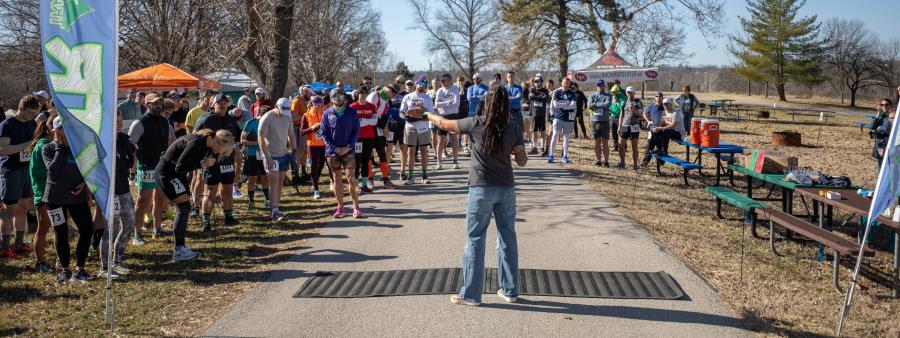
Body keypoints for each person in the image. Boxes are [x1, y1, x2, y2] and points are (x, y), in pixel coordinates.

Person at [419, 86, 527, 307]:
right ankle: (509, 291)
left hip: (481, 188)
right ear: (507, 104)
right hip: (506, 188)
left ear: (487, 103)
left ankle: (471, 295)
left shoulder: (476, 123)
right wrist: (518, 152)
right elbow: (522, 160)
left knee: (476, 239)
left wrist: (426, 114)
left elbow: (443, 124)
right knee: (508, 238)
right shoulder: (514, 127)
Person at [156, 129, 235, 261]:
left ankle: (180, 248)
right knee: (184, 208)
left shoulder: (206, 144)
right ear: (219, 143)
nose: (217, 154)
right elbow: (180, 167)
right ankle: (179, 250)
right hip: (166, 173)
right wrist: (201, 164)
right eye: (220, 151)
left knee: (185, 207)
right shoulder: (196, 141)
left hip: (176, 175)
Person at [42, 117, 96, 283]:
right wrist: (59, 147)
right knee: (61, 232)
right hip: (54, 198)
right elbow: (53, 171)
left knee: (87, 229)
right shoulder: (48, 148)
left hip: (76, 197)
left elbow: (87, 169)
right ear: (55, 131)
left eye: (69, 128)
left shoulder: (78, 147)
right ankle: (65, 269)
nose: (67, 132)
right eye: (62, 129)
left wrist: (82, 183)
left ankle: (80, 268)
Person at [128, 93, 173, 244]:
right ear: (147, 105)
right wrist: (133, 166)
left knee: (159, 198)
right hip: (146, 166)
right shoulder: (140, 122)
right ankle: (137, 234)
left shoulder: (164, 121)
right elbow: (130, 144)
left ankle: (157, 228)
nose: (159, 105)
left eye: (160, 102)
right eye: (155, 103)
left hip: (160, 165)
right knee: (143, 200)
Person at [99, 110, 137, 278]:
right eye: (116, 121)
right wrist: (123, 162)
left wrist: (123, 162)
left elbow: (130, 162)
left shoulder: (123, 139)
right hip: (110, 190)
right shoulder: (103, 141)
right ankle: (105, 267)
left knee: (129, 224)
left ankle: (117, 260)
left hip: (124, 188)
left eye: (121, 120)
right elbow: (114, 163)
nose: (120, 124)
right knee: (111, 229)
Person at [195, 94, 242, 230]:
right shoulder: (205, 119)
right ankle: (206, 222)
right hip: (211, 162)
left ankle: (229, 217)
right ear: (212, 105)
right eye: (219, 103)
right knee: (210, 191)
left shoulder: (231, 120)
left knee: (227, 190)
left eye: (224, 103)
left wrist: (238, 148)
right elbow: (195, 137)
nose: (222, 105)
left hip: (228, 161)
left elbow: (237, 137)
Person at [0, 95, 39, 258]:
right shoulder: (7, 125)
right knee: (9, 211)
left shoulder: (32, 123)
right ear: (20, 109)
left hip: (27, 169)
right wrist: (28, 145)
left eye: (34, 113)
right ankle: (4, 248)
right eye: (30, 113)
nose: (32, 116)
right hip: (11, 170)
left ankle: (18, 244)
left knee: (23, 208)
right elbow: (3, 149)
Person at [321, 88, 363, 219]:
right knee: (336, 179)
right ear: (331, 99)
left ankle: (356, 207)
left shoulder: (352, 112)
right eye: (336, 97)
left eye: (341, 96)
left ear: (344, 98)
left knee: (351, 178)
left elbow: (356, 131)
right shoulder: (327, 113)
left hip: (348, 151)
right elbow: (324, 133)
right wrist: (334, 148)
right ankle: (340, 207)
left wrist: (348, 147)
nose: (339, 99)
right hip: (332, 153)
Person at [259, 98, 296, 222]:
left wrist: (294, 151)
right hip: (271, 155)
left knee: (280, 183)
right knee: (273, 183)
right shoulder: (267, 117)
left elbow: (291, 134)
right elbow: (261, 137)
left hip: (283, 154)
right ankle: (274, 211)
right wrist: (267, 156)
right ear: (276, 106)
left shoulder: (287, 117)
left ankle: (277, 208)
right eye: (282, 110)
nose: (284, 113)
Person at [27, 114, 53, 271]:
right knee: (43, 227)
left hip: (52, 192)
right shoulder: (43, 146)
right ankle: (40, 261)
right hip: (43, 192)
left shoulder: (47, 143)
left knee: (52, 227)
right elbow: (47, 171)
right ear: (50, 128)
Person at [399, 76, 435, 185]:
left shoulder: (427, 98)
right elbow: (401, 111)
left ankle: (424, 175)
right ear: (416, 83)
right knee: (411, 151)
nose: (422, 86)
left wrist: (422, 116)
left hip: (423, 126)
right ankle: (410, 176)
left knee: (424, 150)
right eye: (420, 83)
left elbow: (431, 114)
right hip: (410, 126)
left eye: (424, 84)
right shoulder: (408, 97)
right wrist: (406, 117)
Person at [365, 86, 398, 189]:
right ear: (385, 88)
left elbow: (383, 116)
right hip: (368, 127)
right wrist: (382, 126)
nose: (390, 94)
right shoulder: (374, 96)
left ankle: (386, 179)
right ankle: (369, 180)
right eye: (390, 90)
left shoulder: (386, 101)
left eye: (392, 93)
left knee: (382, 154)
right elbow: (370, 113)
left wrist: (385, 127)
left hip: (378, 128)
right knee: (369, 155)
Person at [348, 86, 378, 194]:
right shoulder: (352, 106)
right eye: (361, 93)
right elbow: (352, 122)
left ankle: (364, 185)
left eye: (365, 93)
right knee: (357, 161)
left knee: (366, 161)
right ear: (358, 94)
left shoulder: (371, 106)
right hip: (357, 138)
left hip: (369, 137)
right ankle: (355, 185)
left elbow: (375, 121)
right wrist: (367, 121)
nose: (363, 95)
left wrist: (362, 120)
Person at [299, 95, 329, 199]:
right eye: (319, 106)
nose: (321, 107)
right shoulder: (306, 115)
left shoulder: (324, 114)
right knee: (313, 166)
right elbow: (302, 132)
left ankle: (314, 181)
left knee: (321, 165)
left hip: (323, 144)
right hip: (312, 145)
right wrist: (312, 128)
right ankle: (316, 190)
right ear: (313, 105)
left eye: (322, 105)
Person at [241, 106, 269, 209]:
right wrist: (258, 143)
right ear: (262, 114)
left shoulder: (269, 122)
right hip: (252, 154)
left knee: (265, 177)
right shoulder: (250, 123)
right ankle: (251, 201)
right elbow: (242, 140)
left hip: (265, 154)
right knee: (252, 178)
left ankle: (267, 200)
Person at [434, 74, 461, 170]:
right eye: (441, 80)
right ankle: (439, 162)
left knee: (454, 139)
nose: (442, 82)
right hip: (442, 117)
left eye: (444, 80)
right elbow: (436, 104)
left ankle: (455, 161)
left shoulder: (455, 89)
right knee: (441, 140)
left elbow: (457, 103)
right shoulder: (440, 90)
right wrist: (448, 102)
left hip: (453, 116)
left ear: (449, 80)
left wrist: (443, 104)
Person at [548, 77, 577, 163]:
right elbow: (555, 105)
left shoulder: (572, 93)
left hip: (568, 118)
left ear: (569, 84)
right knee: (555, 135)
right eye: (564, 83)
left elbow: (573, 105)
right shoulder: (557, 91)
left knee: (566, 137)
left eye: (567, 84)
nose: (566, 85)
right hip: (558, 117)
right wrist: (566, 104)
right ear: (562, 83)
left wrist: (562, 104)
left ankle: (564, 156)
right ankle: (551, 155)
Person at [291, 86, 314, 184]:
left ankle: (303, 173)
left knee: (304, 151)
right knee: (299, 152)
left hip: (304, 129)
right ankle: (295, 174)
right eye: (309, 93)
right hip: (297, 128)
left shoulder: (303, 102)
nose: (310, 95)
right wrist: (306, 117)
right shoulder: (296, 101)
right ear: (304, 92)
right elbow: (293, 116)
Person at [386, 85, 409, 180]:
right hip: (392, 125)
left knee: (403, 148)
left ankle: (402, 171)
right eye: (398, 82)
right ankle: (386, 171)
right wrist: (399, 111)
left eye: (402, 82)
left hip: (403, 124)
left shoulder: (407, 95)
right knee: (388, 147)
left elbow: (407, 110)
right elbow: (388, 110)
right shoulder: (388, 96)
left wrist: (399, 111)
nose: (400, 84)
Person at [589, 80, 612, 167]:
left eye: (602, 85)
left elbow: (608, 104)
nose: (600, 87)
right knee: (596, 142)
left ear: (604, 86)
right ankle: (598, 160)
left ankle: (606, 162)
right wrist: (600, 104)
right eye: (598, 85)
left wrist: (596, 104)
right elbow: (589, 106)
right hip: (595, 121)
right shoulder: (592, 95)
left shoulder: (608, 95)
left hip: (605, 121)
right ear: (596, 86)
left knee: (605, 142)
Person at [617, 98, 643, 171]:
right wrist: (619, 126)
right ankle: (622, 163)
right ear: (626, 92)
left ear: (634, 92)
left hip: (634, 126)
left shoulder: (638, 102)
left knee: (634, 146)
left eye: (631, 92)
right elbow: (621, 115)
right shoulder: (624, 102)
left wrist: (634, 108)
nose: (629, 94)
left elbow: (641, 114)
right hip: (624, 126)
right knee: (620, 145)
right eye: (628, 92)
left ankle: (635, 165)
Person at [641, 92, 666, 167]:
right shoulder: (651, 106)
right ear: (654, 97)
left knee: (660, 146)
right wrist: (648, 121)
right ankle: (645, 162)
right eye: (657, 96)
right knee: (650, 146)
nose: (658, 97)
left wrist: (662, 125)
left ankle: (660, 162)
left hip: (661, 129)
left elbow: (668, 117)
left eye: (660, 96)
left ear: (662, 97)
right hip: (653, 129)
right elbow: (644, 113)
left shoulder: (664, 107)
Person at [873, 98, 895, 169]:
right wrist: (878, 114)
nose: (884, 106)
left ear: (890, 106)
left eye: (886, 105)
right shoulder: (882, 117)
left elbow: (888, 130)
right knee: (880, 167)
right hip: (880, 145)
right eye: (882, 105)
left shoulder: (894, 117)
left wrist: (880, 129)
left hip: (890, 146)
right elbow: (872, 127)